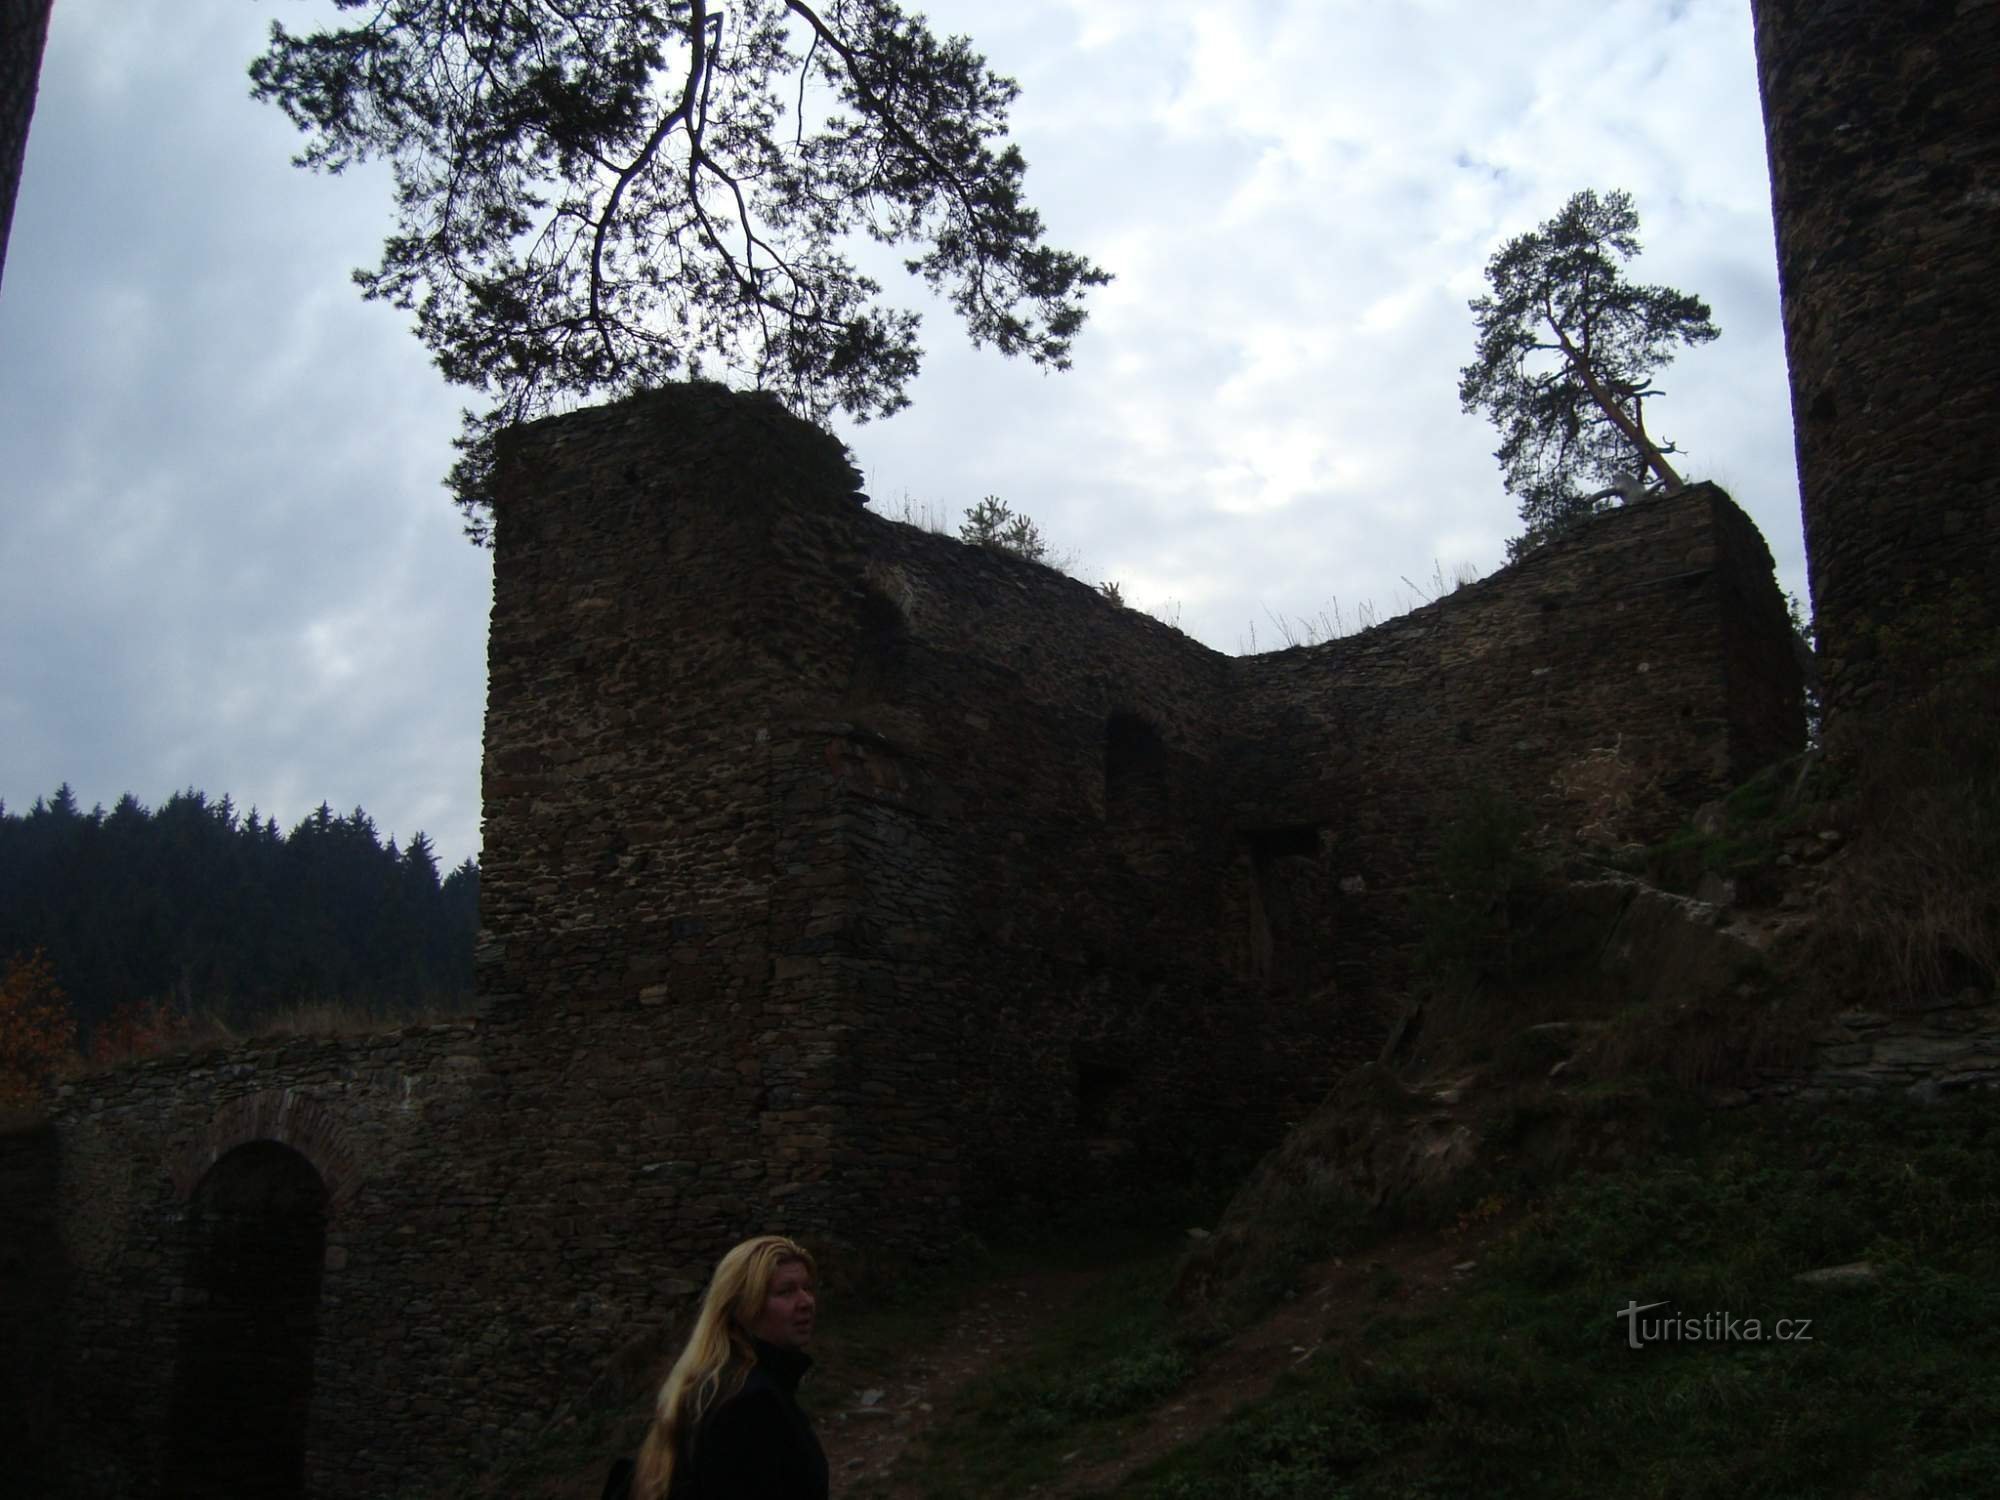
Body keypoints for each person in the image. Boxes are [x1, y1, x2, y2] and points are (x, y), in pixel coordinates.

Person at [610, 1234, 830, 1500]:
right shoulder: (747, 1404)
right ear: (744, 1306)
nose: (806, 1302)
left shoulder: (718, 1385)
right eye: (785, 1291)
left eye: (807, 1288)